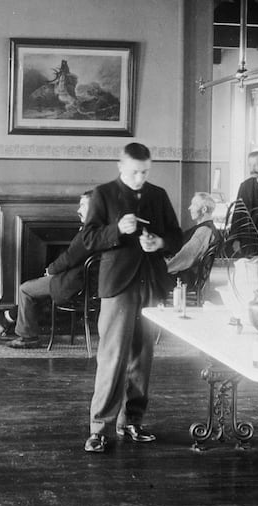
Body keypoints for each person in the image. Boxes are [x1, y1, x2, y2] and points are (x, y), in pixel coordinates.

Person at [80, 142, 184, 453]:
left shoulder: (158, 195)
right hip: (119, 285)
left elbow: (177, 236)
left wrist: (160, 241)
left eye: (145, 172)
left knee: (142, 356)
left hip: (150, 283)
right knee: (112, 358)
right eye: (135, 172)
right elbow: (87, 239)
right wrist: (116, 230)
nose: (140, 178)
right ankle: (100, 428)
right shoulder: (103, 194)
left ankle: (133, 422)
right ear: (121, 167)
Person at [7, 191, 94, 349]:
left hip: (75, 284)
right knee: (38, 289)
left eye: (82, 205)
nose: (78, 210)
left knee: (25, 289)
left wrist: (51, 270)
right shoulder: (103, 230)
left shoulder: (89, 231)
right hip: (88, 285)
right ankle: (12, 318)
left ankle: (28, 337)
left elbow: (69, 257)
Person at [166, 192, 221, 280]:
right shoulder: (206, 228)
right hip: (185, 273)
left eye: (194, 205)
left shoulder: (204, 231)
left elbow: (186, 257)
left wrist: (163, 268)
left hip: (185, 278)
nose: (189, 208)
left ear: (204, 209)